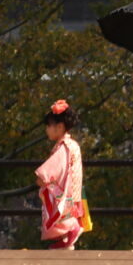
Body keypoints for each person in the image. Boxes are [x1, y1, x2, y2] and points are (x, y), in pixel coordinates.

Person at [35, 99, 85, 250]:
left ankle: (72, 230)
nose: (47, 130)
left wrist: (42, 178)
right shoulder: (71, 144)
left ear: (60, 127)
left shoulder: (64, 146)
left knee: (56, 202)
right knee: (63, 209)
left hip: (66, 192)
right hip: (73, 190)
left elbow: (54, 168)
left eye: (49, 126)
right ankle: (66, 239)